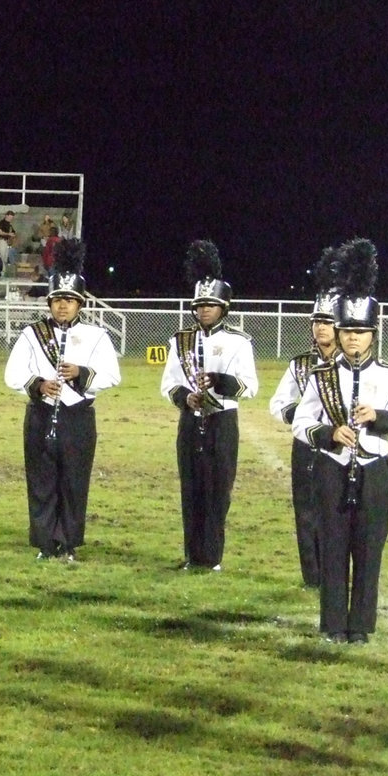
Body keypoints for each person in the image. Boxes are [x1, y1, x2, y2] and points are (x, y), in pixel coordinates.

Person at [293, 239, 388, 643]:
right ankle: (333, 625)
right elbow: (301, 421)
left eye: (361, 331)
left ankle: (361, 627)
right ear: (337, 333)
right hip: (332, 469)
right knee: (334, 548)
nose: (354, 338)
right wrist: (327, 433)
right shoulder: (322, 375)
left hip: (375, 472)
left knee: (369, 552)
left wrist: (379, 418)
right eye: (347, 330)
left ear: (373, 333)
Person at [5, 240, 121, 561]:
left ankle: (68, 543)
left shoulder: (97, 336)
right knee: (41, 482)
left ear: (80, 304)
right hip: (40, 416)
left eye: (69, 300)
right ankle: (45, 543)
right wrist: (38, 385)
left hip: (78, 418)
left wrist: (81, 373)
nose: (63, 306)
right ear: (50, 302)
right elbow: (13, 372)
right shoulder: (32, 334)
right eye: (58, 300)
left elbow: (112, 374)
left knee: (73, 483)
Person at [161, 240, 259, 570]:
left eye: (211, 304)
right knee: (191, 490)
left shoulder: (239, 341)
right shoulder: (181, 340)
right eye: (200, 304)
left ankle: (212, 557)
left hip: (222, 423)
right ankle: (192, 556)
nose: (204, 309)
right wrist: (183, 398)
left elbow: (251, 386)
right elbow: (168, 383)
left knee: (218, 491)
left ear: (223, 308)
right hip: (190, 421)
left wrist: (219, 381)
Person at [268, 248, 338, 587]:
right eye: (317, 321)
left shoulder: (353, 365)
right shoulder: (299, 365)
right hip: (307, 447)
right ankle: (312, 577)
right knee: (306, 511)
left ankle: (336, 572)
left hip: (343, 449)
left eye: (328, 321)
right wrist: (306, 418)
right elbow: (278, 403)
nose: (321, 327)